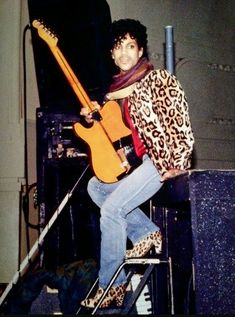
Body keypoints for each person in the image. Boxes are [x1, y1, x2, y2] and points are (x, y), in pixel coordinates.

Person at [80, 18, 194, 309]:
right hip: (142, 161)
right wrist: (93, 116)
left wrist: (178, 162)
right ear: (111, 54)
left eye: (130, 46)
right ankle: (146, 232)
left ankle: (112, 287)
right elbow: (116, 131)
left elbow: (179, 120)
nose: (124, 54)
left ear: (141, 49)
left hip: (161, 161)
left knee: (112, 209)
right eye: (118, 48)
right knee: (96, 187)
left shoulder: (156, 79)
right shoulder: (118, 92)